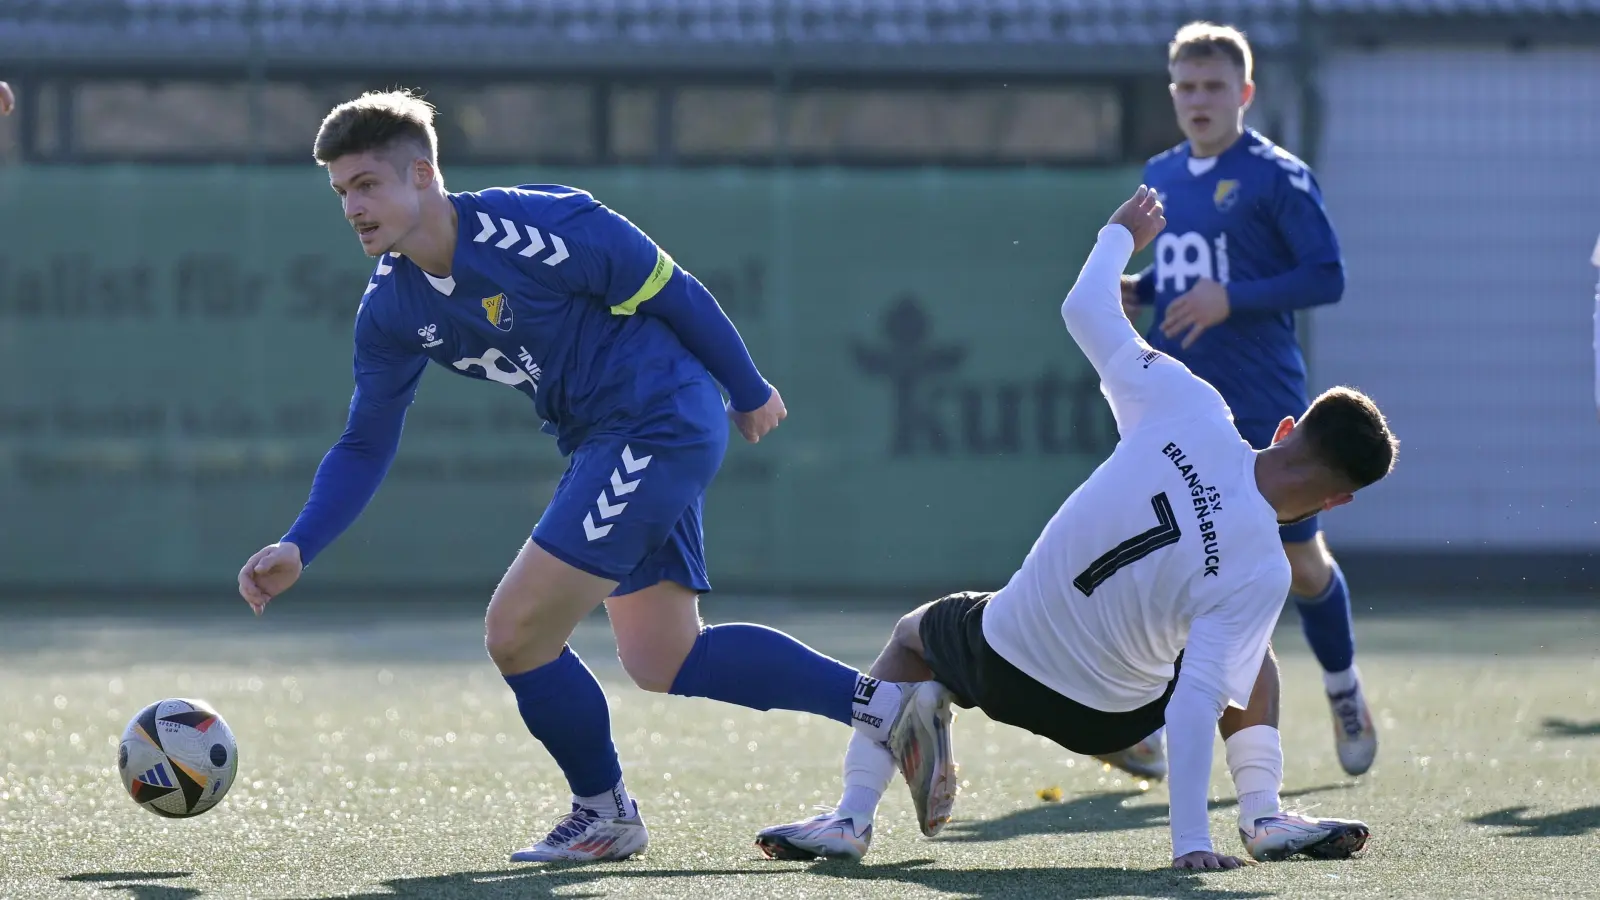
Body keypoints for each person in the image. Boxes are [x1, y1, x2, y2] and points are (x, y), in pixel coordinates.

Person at [235, 89, 929, 863]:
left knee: (516, 631)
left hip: (656, 421)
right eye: (340, 192)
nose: (352, 207)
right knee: (664, 658)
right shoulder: (391, 307)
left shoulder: (538, 226)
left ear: (423, 174)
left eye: (367, 184)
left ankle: (604, 813)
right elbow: (365, 443)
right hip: (613, 440)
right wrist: (301, 543)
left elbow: (672, 288)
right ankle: (887, 705)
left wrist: (748, 387)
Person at [756, 186, 1395, 868]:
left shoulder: (1189, 404)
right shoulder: (1263, 567)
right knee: (1248, 649)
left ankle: (851, 818)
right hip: (1112, 717)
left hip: (1003, 662)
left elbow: (1084, 308)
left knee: (915, 634)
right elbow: (1193, 708)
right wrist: (1191, 846)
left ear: (1287, 428)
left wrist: (1119, 234)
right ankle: (1263, 817)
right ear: (1336, 503)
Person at [1106, 21, 1376, 781]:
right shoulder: (1161, 172)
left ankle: (1342, 685)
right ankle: (1140, 721)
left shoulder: (1277, 176)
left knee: (1300, 563)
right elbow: (1186, 272)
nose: (1198, 99)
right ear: (1172, 93)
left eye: (1214, 86)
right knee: (1157, 561)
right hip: (1179, 404)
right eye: (1186, 87)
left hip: (1262, 401)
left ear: (1244, 94)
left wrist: (1235, 300)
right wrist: (1142, 288)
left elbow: (1326, 276)